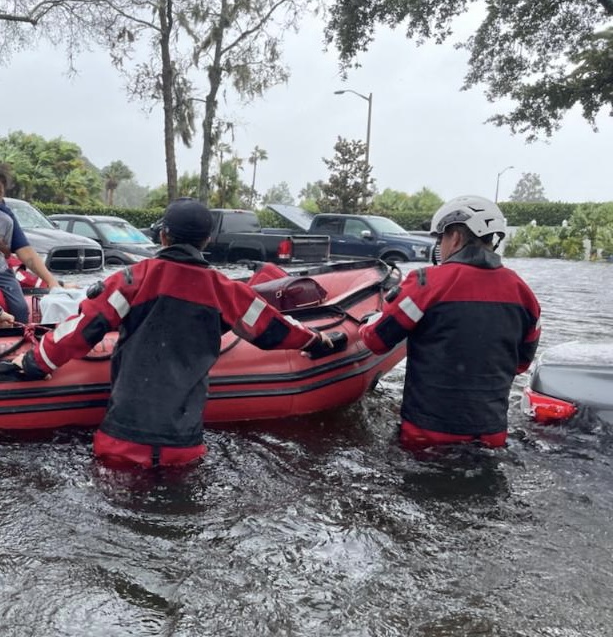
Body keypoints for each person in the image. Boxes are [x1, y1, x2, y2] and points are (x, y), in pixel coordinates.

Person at [13, 198, 332, 468]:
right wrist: (317, 341)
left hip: (122, 442)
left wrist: (33, 364)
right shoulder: (226, 291)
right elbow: (275, 329)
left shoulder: (130, 281)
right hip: (184, 447)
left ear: (163, 236)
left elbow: (80, 330)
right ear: (206, 241)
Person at [359, 195, 541, 451]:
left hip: (426, 434)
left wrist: (368, 321)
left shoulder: (426, 283)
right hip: (491, 435)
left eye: (440, 238)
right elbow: (521, 364)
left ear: (454, 236)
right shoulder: (524, 294)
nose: (439, 245)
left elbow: (376, 340)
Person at [0, 166, 62, 322]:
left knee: (20, 309)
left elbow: (25, 252)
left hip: (1, 272)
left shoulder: (5, 217)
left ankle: (19, 336)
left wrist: (52, 281)